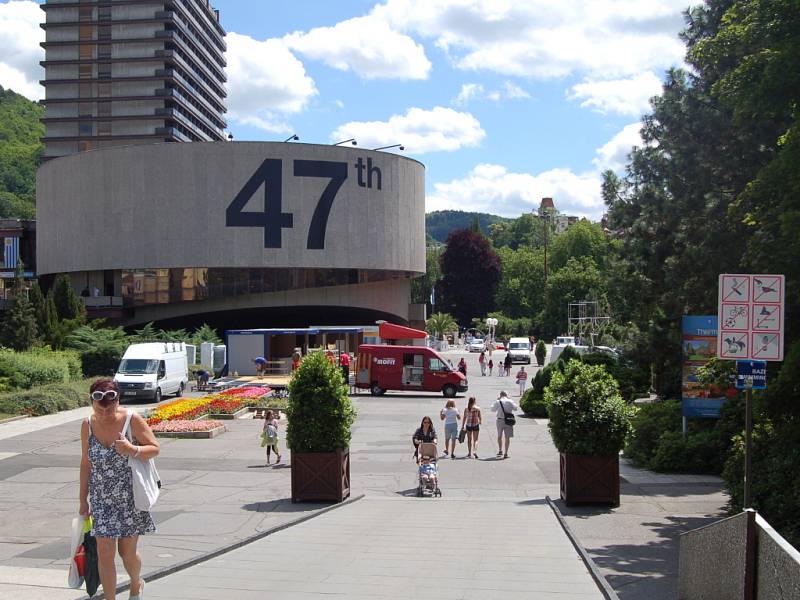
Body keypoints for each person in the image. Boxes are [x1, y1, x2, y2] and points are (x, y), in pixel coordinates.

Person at [79, 379, 158, 600]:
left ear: (118, 401)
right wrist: (82, 499)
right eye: (100, 409)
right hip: (101, 498)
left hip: (130, 497)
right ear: (92, 404)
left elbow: (154, 448)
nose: (105, 413)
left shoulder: (131, 420)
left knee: (127, 553)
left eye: (110, 408)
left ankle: (136, 583)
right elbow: (86, 463)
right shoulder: (87, 424)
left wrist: (132, 449)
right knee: (105, 552)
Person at [491, 391, 518, 459]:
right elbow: (515, 408)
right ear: (506, 395)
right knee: (507, 437)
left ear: (500, 395)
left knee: (499, 436)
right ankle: (506, 453)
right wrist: (510, 400)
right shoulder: (510, 401)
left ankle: (500, 450)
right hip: (508, 420)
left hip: (500, 420)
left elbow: (492, 409)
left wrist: (497, 400)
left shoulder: (498, 401)